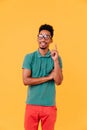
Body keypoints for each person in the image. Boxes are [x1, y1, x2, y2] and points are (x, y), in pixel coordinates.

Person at [22, 24, 63, 130]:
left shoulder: (57, 58)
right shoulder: (29, 57)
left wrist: (55, 61)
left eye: (47, 36)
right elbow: (26, 80)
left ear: (51, 40)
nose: (43, 39)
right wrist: (49, 77)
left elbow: (58, 81)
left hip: (49, 105)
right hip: (32, 105)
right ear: (37, 38)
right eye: (41, 36)